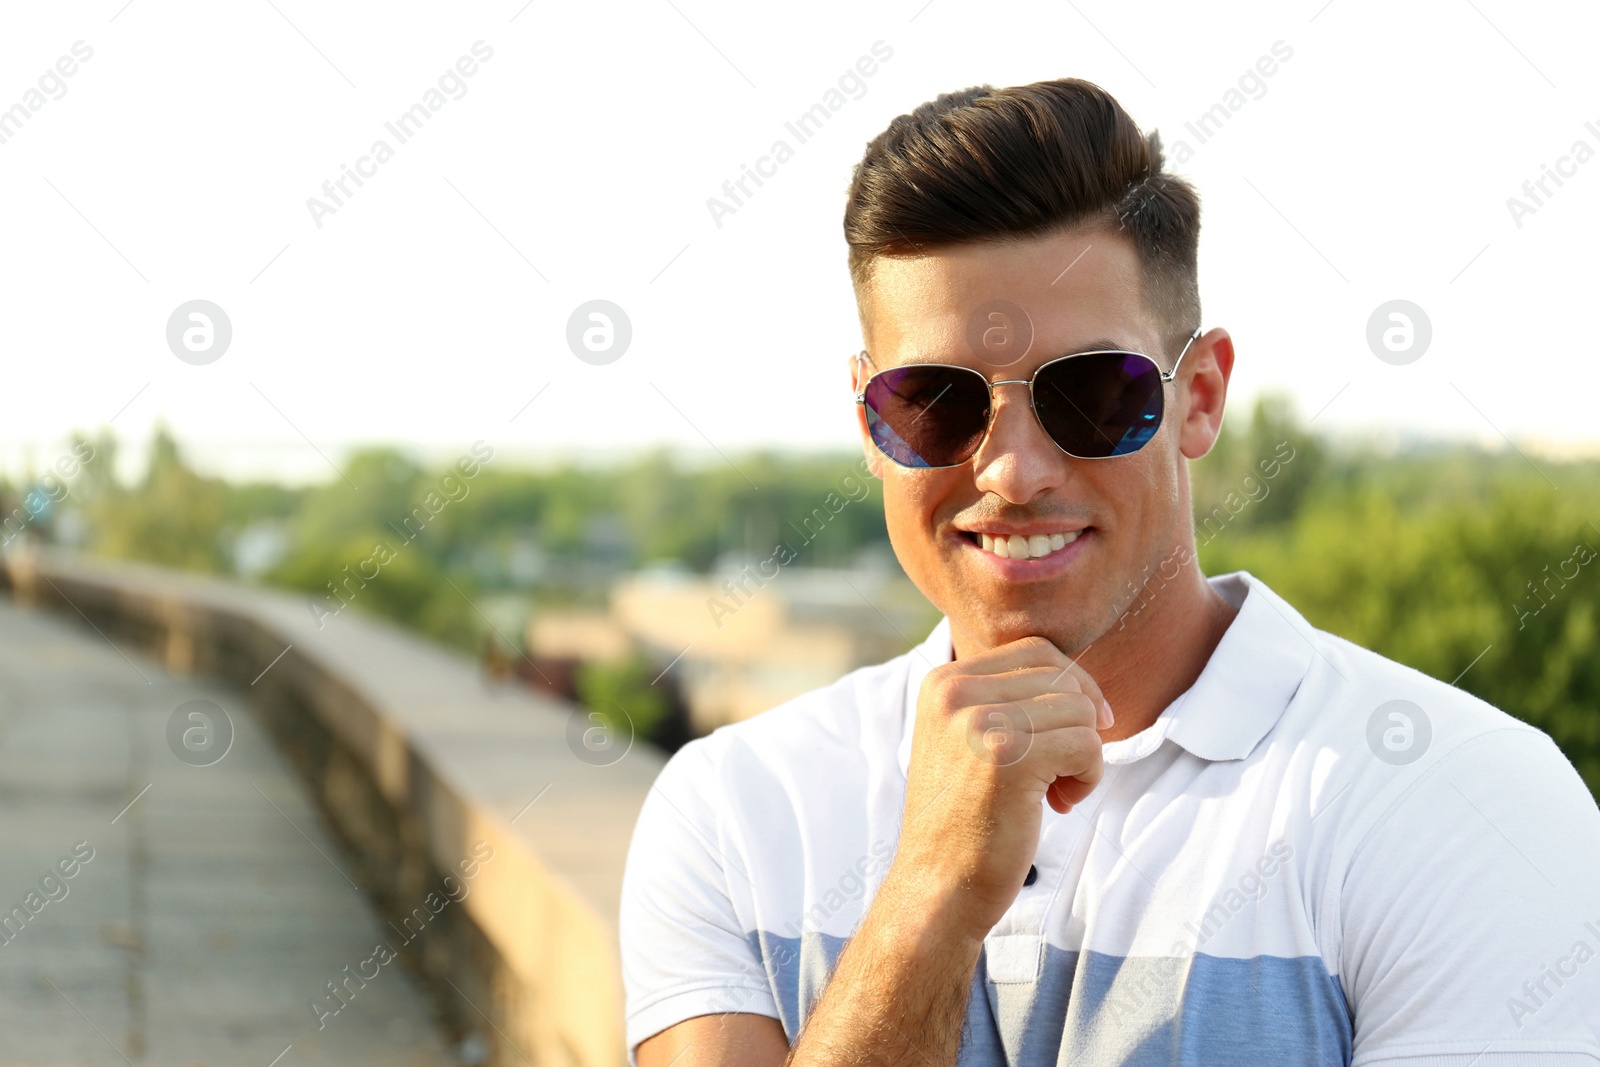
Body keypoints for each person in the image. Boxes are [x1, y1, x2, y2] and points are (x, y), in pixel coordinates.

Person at [619, 77, 1600, 1066]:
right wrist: (929, 897)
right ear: (868, 424)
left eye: (1091, 393)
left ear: (1200, 397)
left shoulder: (1467, 802)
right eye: (933, 401)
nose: (1010, 470)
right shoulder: (735, 813)